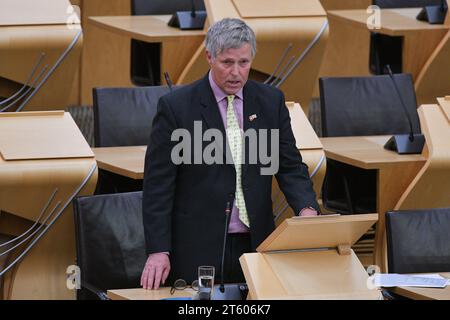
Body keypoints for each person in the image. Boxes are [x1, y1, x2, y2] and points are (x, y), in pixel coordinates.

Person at [140, 18, 320, 290]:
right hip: (198, 245)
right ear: (209, 57)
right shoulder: (176, 108)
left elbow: (290, 166)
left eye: (244, 63)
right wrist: (158, 249)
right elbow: (158, 185)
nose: (236, 72)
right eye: (227, 63)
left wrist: (307, 210)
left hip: (256, 242)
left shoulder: (271, 101)